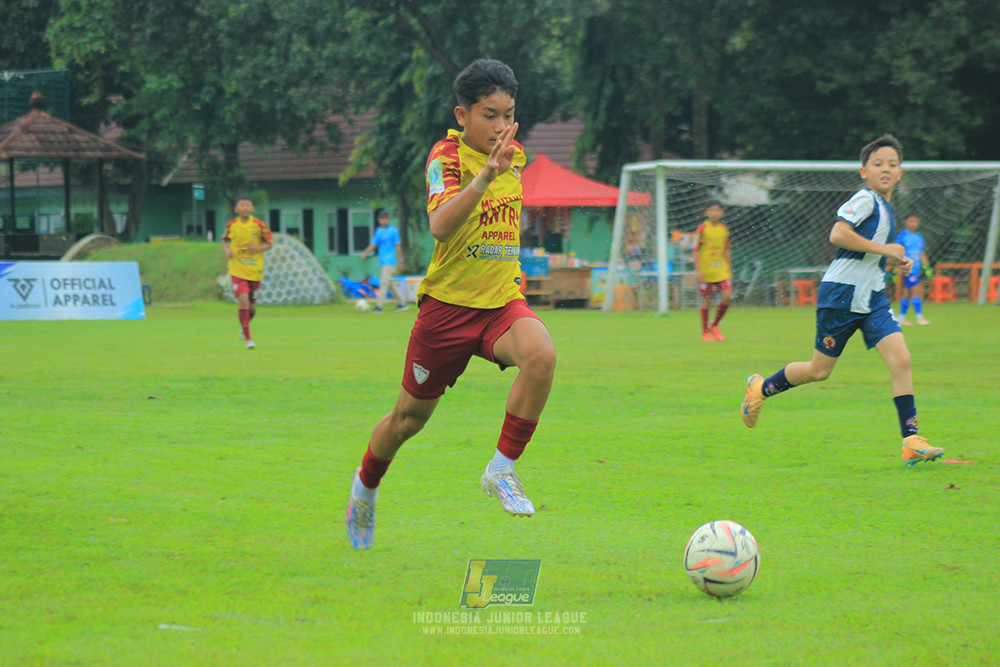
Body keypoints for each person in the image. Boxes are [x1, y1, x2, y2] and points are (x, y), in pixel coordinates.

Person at [345, 59, 557, 549]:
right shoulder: (446, 158)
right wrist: (484, 177)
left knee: (541, 355)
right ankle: (365, 488)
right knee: (407, 421)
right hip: (446, 311)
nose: (501, 126)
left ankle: (501, 470)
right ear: (462, 115)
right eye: (489, 115)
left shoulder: (517, 156)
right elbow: (441, 227)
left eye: (508, 115)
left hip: (501, 302)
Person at [740, 135, 943, 467]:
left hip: (873, 297)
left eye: (892, 164)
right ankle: (761, 388)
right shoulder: (865, 198)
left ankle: (911, 441)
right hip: (841, 295)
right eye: (878, 164)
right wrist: (886, 250)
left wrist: (894, 260)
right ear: (864, 171)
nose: (886, 169)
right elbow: (838, 234)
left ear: (901, 173)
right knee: (819, 371)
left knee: (901, 359)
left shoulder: (886, 209)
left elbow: (863, 252)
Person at [221, 194, 273, 349]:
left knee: (252, 308)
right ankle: (249, 339)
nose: (245, 208)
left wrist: (258, 248)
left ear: (252, 208)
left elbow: (270, 243)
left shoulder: (259, 225)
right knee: (243, 301)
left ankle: (244, 328)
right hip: (237, 269)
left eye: (248, 205)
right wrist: (227, 250)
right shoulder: (232, 225)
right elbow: (224, 239)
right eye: (242, 205)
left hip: (255, 270)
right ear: (237, 209)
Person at [693, 200, 732, 341]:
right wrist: (698, 270)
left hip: (722, 270)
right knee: (707, 300)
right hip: (706, 270)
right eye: (712, 210)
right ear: (707, 212)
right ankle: (705, 333)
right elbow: (695, 250)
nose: (715, 213)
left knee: (728, 297)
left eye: (717, 210)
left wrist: (729, 268)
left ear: (721, 213)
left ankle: (714, 325)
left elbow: (727, 249)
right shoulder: (702, 229)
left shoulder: (723, 229)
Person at [360, 209, 408, 312]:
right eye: (381, 219)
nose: (383, 221)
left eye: (384, 219)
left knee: (384, 283)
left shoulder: (393, 231)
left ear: (388, 219)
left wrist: (401, 261)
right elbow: (373, 244)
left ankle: (379, 306)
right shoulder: (378, 231)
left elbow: (398, 247)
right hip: (383, 262)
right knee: (390, 284)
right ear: (378, 220)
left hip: (390, 262)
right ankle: (402, 304)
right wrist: (365, 252)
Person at [895, 213, 931, 325]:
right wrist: (897, 265)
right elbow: (897, 251)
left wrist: (926, 267)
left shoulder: (919, 238)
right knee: (916, 290)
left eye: (915, 221)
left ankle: (901, 318)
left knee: (907, 292)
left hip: (917, 269)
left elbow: (922, 253)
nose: (913, 224)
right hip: (906, 268)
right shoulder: (902, 236)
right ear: (906, 222)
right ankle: (919, 318)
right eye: (911, 221)